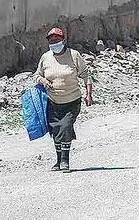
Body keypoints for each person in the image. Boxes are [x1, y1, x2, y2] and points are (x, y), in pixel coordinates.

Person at [34, 27, 90, 173]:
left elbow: (86, 75)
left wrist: (89, 94)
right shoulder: (45, 57)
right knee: (56, 130)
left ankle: (65, 160)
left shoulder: (74, 55)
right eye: (51, 40)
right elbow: (37, 75)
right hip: (52, 102)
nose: (54, 42)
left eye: (57, 40)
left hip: (72, 100)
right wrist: (43, 81)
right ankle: (58, 161)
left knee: (65, 127)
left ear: (63, 40)